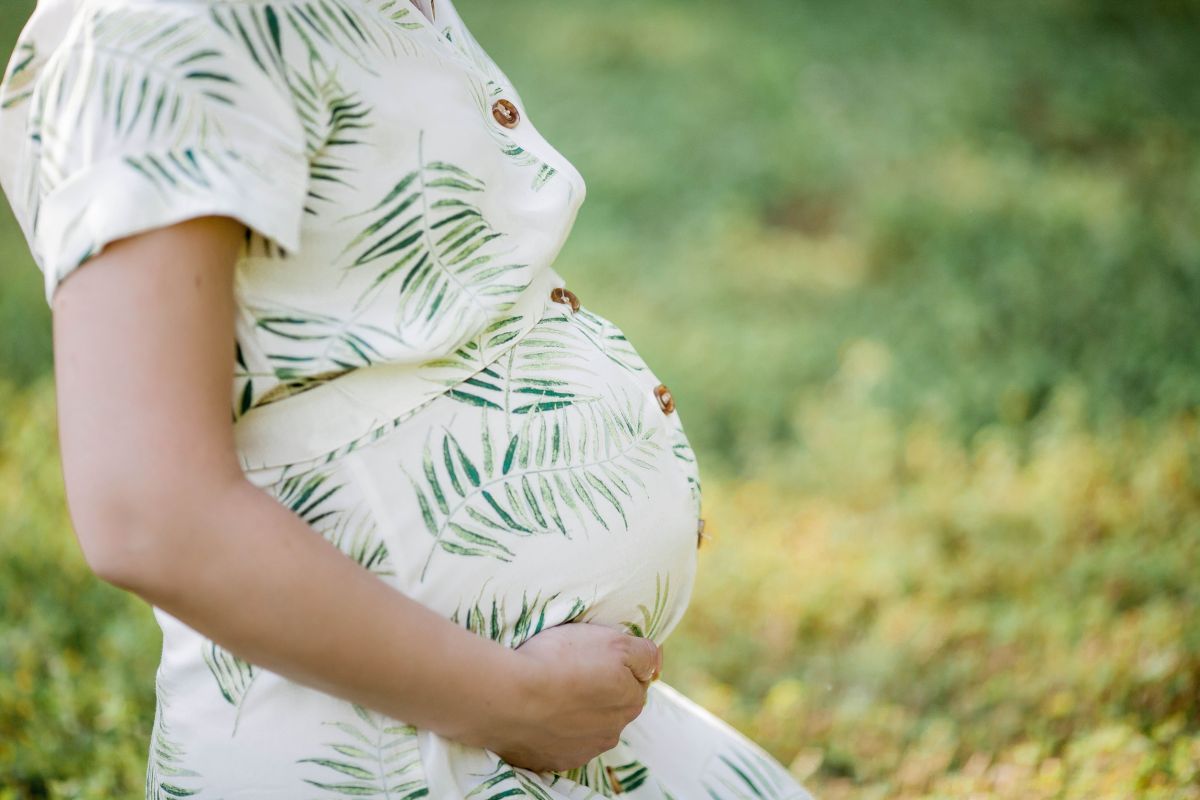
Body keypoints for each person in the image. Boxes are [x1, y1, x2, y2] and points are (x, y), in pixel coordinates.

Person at [0, 0, 813, 796]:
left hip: (548, 733)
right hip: (377, 752)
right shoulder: (163, 27)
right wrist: (513, 704)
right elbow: (148, 515)